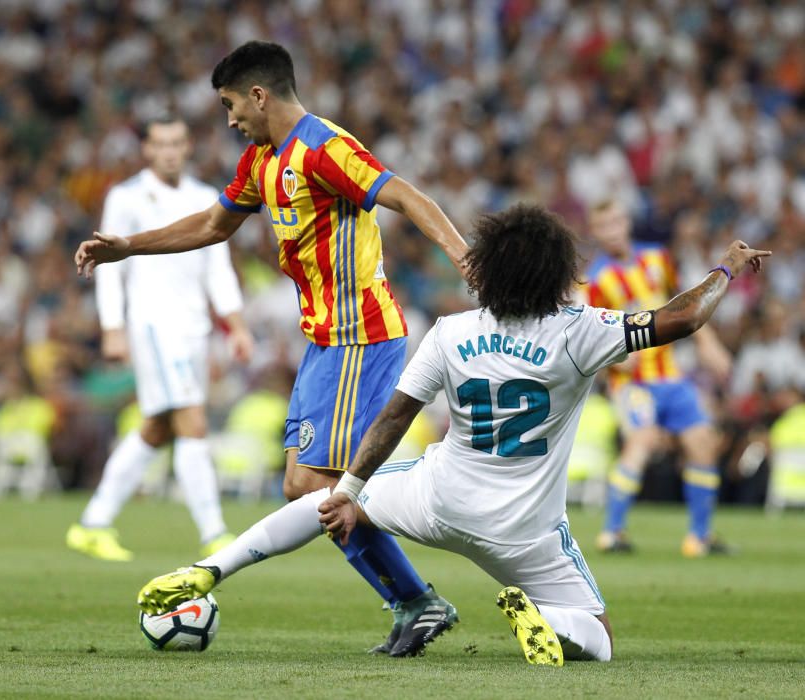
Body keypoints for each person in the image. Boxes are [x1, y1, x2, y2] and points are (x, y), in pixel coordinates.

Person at [134, 204, 768, 665]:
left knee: (317, 500)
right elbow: (681, 317)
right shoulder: (581, 330)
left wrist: (352, 490)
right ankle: (548, 620)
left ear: (484, 269)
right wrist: (726, 268)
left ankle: (211, 567)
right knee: (598, 632)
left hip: (437, 500)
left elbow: (393, 417)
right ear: (557, 275)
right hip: (524, 533)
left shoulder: (452, 331)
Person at [75, 41, 469, 656]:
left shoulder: (324, 148)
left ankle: (419, 586)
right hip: (324, 343)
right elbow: (212, 225)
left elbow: (408, 196)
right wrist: (129, 247)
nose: (229, 119)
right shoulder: (262, 160)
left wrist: (461, 254)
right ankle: (415, 598)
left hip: (360, 336)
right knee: (305, 487)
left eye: (232, 105)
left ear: (259, 95)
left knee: (319, 483)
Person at [66, 116, 254, 561]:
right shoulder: (126, 197)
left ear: (188, 147)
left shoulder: (203, 197)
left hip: (193, 329)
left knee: (157, 427)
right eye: (160, 144)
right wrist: (112, 327)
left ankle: (93, 523)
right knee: (192, 419)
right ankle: (215, 534)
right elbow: (109, 267)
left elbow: (218, 268)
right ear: (147, 151)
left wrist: (237, 325)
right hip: (152, 325)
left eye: (176, 142)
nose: (169, 151)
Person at [585, 199, 734, 557]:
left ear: (626, 222)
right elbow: (590, 334)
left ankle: (699, 537)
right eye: (604, 226)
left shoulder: (658, 259)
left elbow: (682, 306)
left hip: (671, 376)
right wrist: (615, 361)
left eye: (616, 222)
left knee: (702, 441)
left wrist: (710, 344)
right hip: (633, 383)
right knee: (644, 439)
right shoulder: (595, 280)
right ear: (595, 232)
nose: (613, 231)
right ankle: (612, 532)